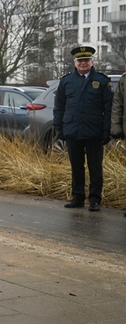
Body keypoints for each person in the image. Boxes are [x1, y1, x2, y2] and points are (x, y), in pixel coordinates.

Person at [53, 46, 113, 211]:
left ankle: (94, 200)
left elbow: (108, 109)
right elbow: (59, 106)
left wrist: (107, 130)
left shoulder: (102, 81)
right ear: (75, 63)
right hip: (73, 130)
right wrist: (58, 127)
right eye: (80, 60)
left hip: (94, 131)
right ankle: (77, 197)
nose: (83, 63)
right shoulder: (66, 81)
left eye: (86, 60)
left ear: (92, 61)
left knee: (95, 168)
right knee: (76, 167)